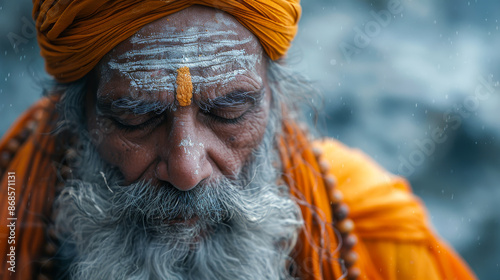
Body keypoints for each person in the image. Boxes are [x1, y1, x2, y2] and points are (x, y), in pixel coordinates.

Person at [0, 1, 477, 279]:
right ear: (75, 117)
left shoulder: (374, 232)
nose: (187, 170)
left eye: (228, 111)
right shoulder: (11, 215)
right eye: (135, 116)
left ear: (275, 100)